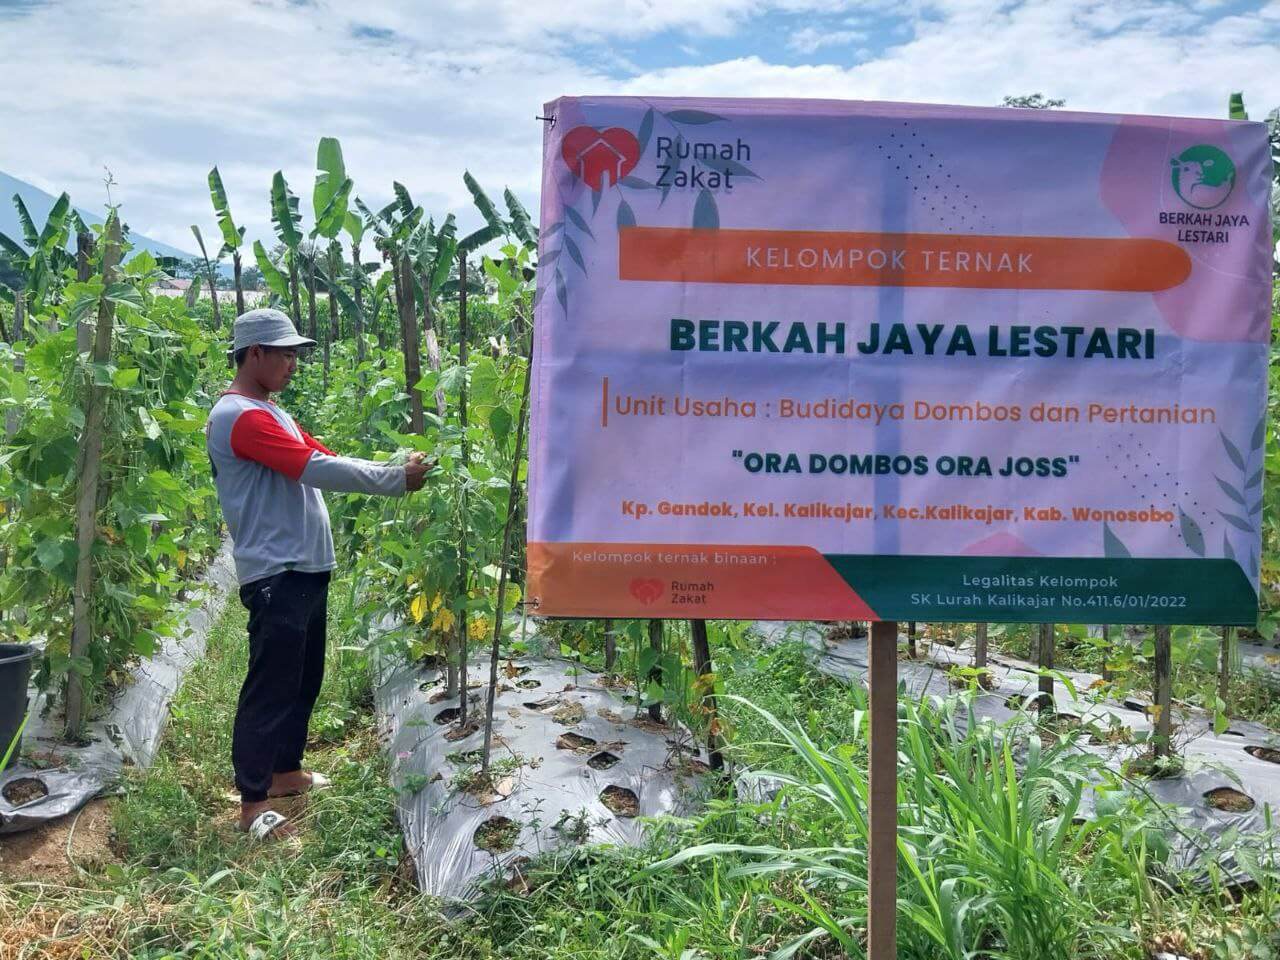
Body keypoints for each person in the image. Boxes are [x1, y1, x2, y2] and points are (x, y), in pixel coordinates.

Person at [205, 308, 431, 840]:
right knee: (271, 683)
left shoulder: (270, 410)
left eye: (294, 354)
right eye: (284, 353)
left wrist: (390, 464)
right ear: (253, 354)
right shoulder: (240, 415)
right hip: (276, 570)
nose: (292, 363)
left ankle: (285, 772)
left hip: (304, 566)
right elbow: (313, 468)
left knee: (303, 677)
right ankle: (252, 800)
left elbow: (320, 453)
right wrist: (395, 479)